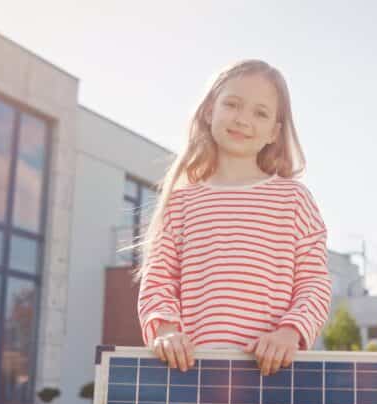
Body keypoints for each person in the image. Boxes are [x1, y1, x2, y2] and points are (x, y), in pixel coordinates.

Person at [136, 59, 332, 376]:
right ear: (209, 111)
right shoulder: (181, 202)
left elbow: (314, 283)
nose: (242, 119)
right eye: (232, 104)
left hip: (271, 375)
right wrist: (166, 331)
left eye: (260, 113)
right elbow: (158, 280)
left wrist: (289, 333)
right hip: (192, 375)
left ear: (274, 132)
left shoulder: (294, 200)